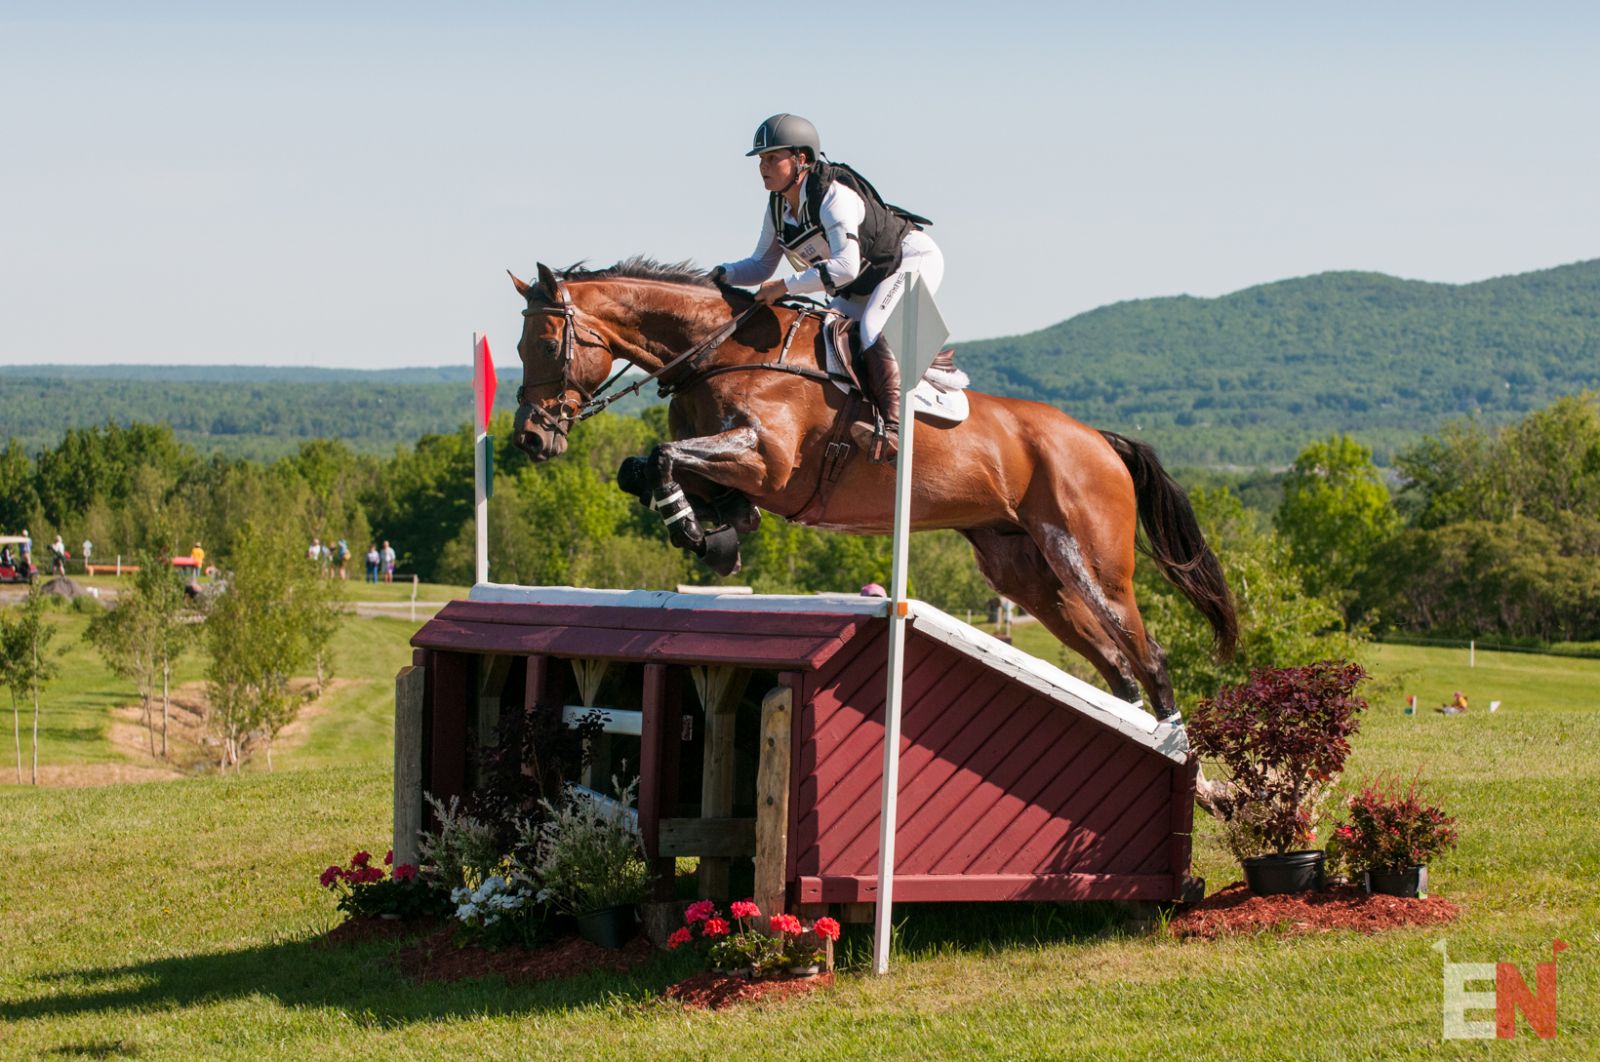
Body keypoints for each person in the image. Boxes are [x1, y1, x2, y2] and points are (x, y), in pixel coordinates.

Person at [714, 113, 943, 463]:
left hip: (908, 262)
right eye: (761, 159)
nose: (764, 166)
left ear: (801, 158)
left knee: (872, 328)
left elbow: (845, 266)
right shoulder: (778, 207)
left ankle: (894, 432)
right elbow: (760, 266)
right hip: (861, 284)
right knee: (821, 332)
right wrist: (718, 276)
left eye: (773, 158)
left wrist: (785, 286)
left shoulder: (833, 195)